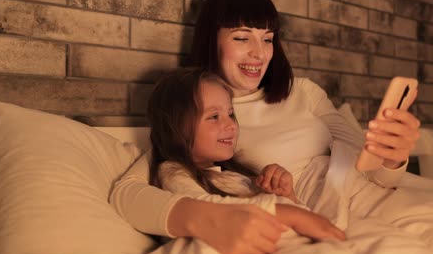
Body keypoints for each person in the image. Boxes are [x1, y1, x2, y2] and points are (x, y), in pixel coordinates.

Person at [110, 0, 420, 254]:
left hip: (371, 199)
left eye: (267, 39)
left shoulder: (304, 92)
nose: (259, 53)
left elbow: (370, 171)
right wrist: (273, 210)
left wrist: (393, 157)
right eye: (242, 37)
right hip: (322, 219)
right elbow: (129, 194)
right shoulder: (191, 112)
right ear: (211, 41)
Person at [145, 68, 346, 244]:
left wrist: (287, 196)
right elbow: (204, 212)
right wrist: (290, 213)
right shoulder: (173, 172)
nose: (231, 125)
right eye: (214, 116)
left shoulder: (234, 174)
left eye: (230, 114)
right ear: (176, 127)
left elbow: (306, 220)